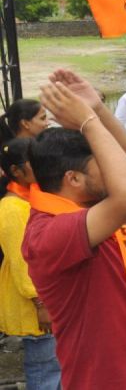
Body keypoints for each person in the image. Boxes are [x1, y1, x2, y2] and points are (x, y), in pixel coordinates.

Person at [22, 69, 126, 389]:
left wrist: (97, 109)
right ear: (73, 178)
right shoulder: (49, 233)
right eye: (101, 165)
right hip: (107, 379)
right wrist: (87, 122)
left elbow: (125, 156)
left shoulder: (81, 204)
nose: (114, 171)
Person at [0, 138, 62, 389]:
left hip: (46, 297)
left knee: (52, 365)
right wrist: (41, 304)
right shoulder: (12, 208)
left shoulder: (31, 199)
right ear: (16, 171)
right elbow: (22, 262)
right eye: (33, 161)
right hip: (35, 304)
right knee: (44, 368)